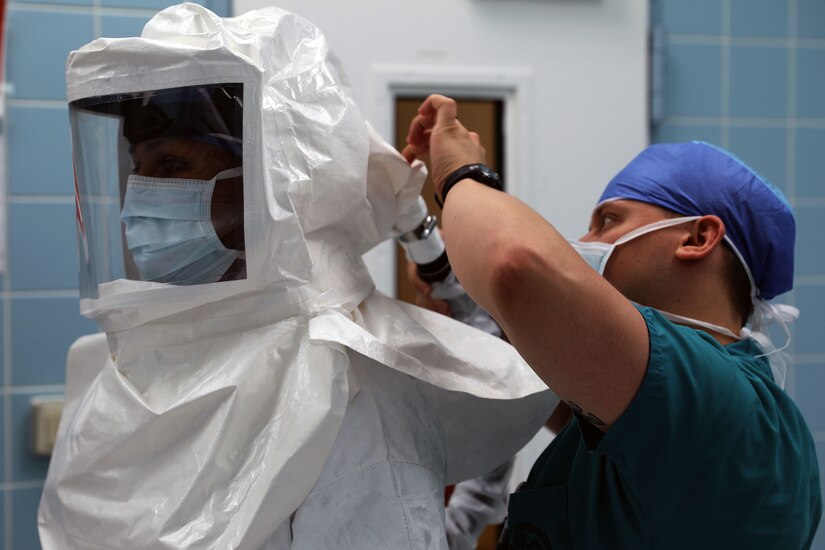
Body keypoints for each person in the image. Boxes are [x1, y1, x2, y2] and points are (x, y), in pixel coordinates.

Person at [39, 7, 557, 550]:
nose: (136, 202)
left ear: (274, 185)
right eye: (137, 167)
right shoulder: (127, 364)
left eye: (170, 166)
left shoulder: (345, 391)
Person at [403, 94, 822, 548]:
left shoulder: (718, 402)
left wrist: (459, 175)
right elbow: (566, 384)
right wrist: (460, 291)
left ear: (698, 238)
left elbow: (515, 265)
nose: (585, 241)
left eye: (607, 221)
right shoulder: (657, 414)